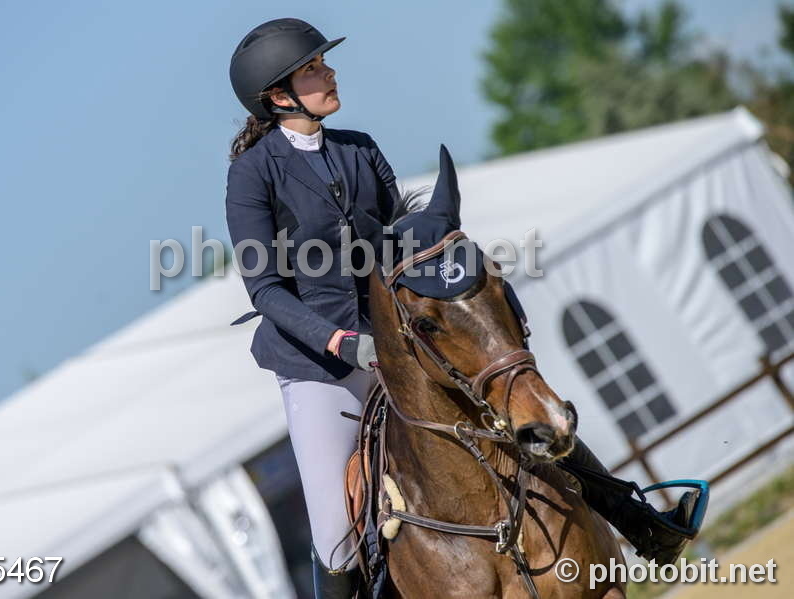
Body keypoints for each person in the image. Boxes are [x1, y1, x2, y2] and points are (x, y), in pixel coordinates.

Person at [225, 17, 705, 599]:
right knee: (334, 538)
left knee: (525, 411)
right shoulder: (252, 175)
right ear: (280, 96)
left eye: (324, 64)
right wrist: (342, 342)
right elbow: (266, 291)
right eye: (314, 69)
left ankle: (644, 525)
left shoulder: (359, 148)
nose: (330, 73)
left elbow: (405, 246)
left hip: (405, 345)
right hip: (322, 367)